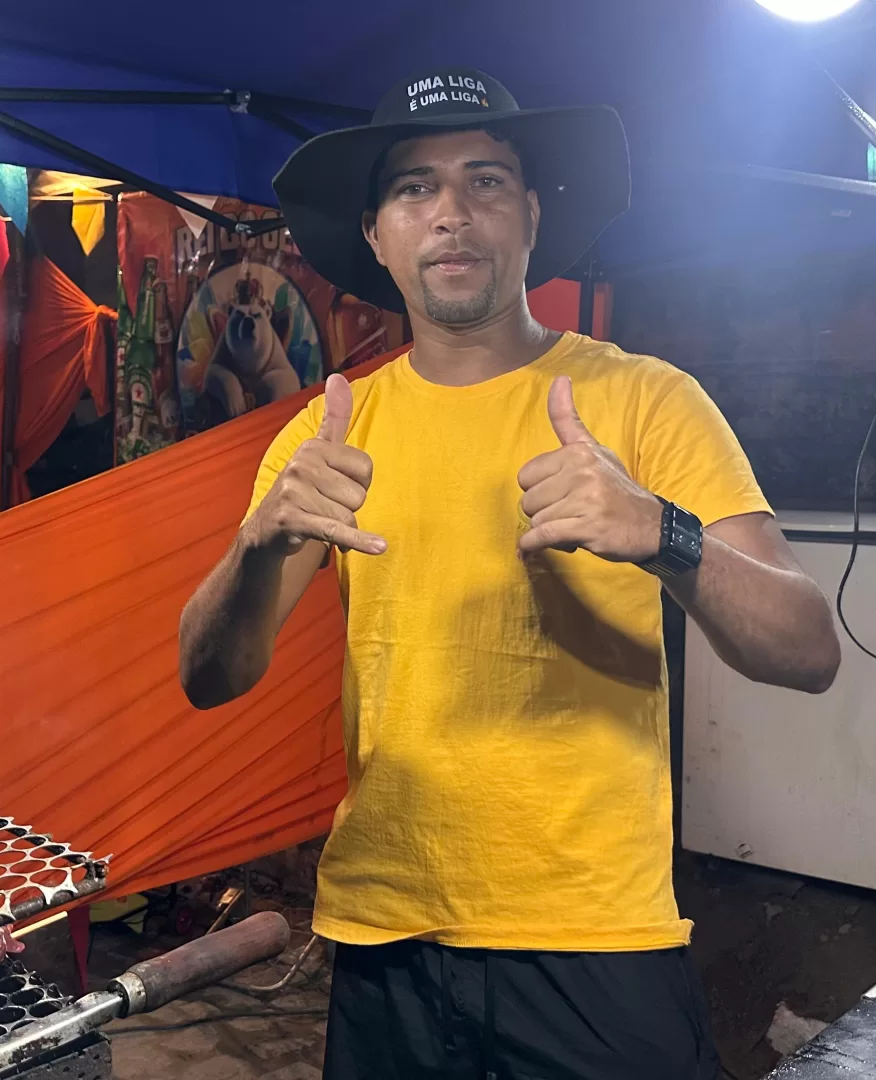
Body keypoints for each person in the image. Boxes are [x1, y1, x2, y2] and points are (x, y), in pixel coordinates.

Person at [179, 69, 842, 1078]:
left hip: (595, 936)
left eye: (485, 180)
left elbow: (807, 648)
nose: (451, 212)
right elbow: (208, 676)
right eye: (415, 188)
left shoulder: (646, 401)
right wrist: (256, 545)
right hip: (386, 934)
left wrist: (662, 531)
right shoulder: (329, 436)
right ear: (376, 234)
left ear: (532, 216)